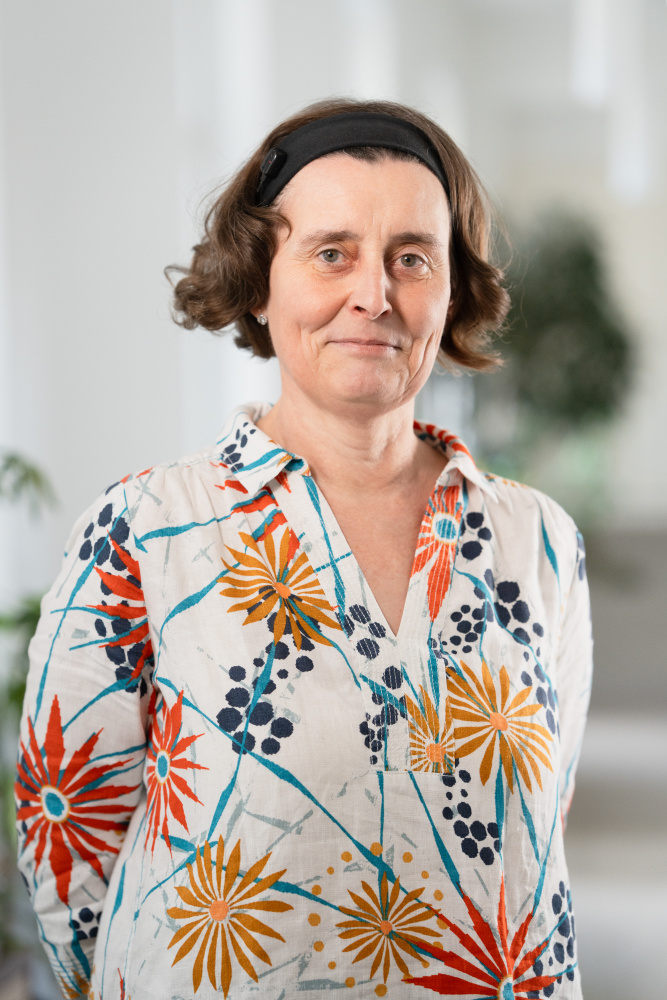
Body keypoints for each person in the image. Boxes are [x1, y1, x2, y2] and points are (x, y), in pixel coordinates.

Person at [16, 98, 592, 1000]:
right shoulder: (146, 531)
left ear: (452, 290)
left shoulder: (538, 540)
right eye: (332, 254)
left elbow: (541, 817)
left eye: (412, 257)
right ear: (259, 281)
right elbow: (67, 840)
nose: (375, 295)